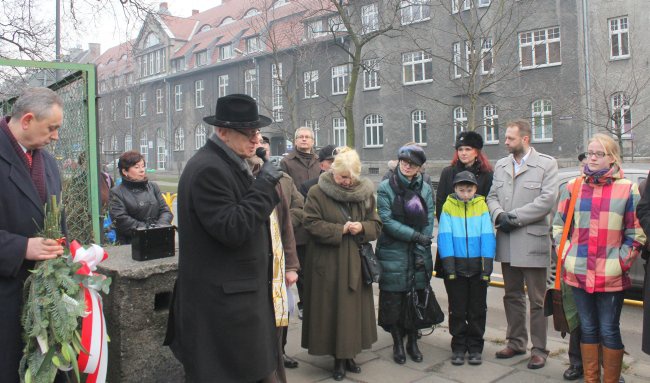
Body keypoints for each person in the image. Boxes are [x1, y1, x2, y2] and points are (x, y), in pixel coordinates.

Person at [164, 94, 284, 382]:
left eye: (258, 132)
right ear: (222, 132)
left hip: (236, 306)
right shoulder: (209, 169)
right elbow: (233, 228)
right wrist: (265, 184)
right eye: (249, 133)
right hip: (223, 311)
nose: (257, 140)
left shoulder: (229, 163)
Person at [554, 134, 644, 383]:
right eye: (590, 152)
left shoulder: (627, 189)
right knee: (588, 328)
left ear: (612, 157)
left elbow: (635, 233)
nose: (592, 157)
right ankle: (592, 379)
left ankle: (612, 379)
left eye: (599, 153)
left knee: (608, 329)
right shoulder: (573, 187)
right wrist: (566, 254)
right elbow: (559, 227)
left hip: (611, 275)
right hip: (578, 271)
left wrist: (621, 261)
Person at [0, 88, 65, 383]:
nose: (55, 137)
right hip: (6, 296)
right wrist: (21, 247)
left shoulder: (48, 163)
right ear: (27, 119)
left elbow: (57, 220)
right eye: (51, 128)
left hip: (43, 301)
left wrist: (67, 249)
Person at [301, 147, 382, 381]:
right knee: (332, 311)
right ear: (333, 172)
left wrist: (363, 227)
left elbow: (376, 225)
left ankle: (349, 355)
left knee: (352, 313)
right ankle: (337, 358)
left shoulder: (365, 194)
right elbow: (311, 223)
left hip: (355, 263)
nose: (347, 182)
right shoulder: (317, 192)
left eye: (351, 177)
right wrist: (341, 229)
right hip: (328, 264)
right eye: (342, 177)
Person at [486, 119, 559, 369]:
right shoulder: (502, 165)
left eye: (510, 138)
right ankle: (516, 342)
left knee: (538, 300)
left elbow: (546, 201)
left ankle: (539, 349)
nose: (505, 142)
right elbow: (492, 196)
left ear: (525, 139)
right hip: (507, 241)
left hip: (533, 242)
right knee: (512, 296)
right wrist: (498, 215)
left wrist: (513, 218)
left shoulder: (546, 165)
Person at [247, 133, 300, 382]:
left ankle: (277, 363)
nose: (257, 145)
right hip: (255, 270)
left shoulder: (273, 178)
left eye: (261, 142)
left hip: (277, 265)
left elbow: (286, 223)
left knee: (279, 322)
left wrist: (291, 265)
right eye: (253, 140)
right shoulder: (239, 178)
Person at [375, 144, 434, 365]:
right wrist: (415, 237)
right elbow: (387, 222)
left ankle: (413, 342)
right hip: (393, 250)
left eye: (413, 164)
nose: (407, 166)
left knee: (416, 297)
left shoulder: (425, 188)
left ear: (419, 167)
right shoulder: (385, 187)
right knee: (394, 300)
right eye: (404, 162)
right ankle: (398, 342)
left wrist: (422, 243)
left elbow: (429, 219)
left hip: (417, 251)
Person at [438, 170, 495, 366]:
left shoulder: (481, 206)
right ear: (455, 189)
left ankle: (476, 347)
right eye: (461, 190)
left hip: (477, 268)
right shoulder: (448, 206)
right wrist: (449, 267)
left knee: (477, 309)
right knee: (458, 309)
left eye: (469, 190)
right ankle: (459, 346)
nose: (465, 194)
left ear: (475, 189)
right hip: (458, 267)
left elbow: (488, 237)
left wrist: (486, 267)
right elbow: (445, 237)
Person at [434, 131, 493, 279]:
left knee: (477, 296)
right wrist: (448, 230)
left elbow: (488, 203)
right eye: (460, 149)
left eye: (468, 149)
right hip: (452, 238)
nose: (463, 153)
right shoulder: (448, 173)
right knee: (455, 294)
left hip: (477, 240)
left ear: (476, 152)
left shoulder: (487, 175)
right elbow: (440, 204)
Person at [280, 127, 321, 319]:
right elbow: (285, 190)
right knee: (302, 268)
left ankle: (316, 301)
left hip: (317, 219)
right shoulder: (287, 162)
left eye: (307, 137)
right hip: (298, 224)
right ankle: (304, 303)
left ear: (313, 141)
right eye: (301, 137)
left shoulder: (319, 161)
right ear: (295, 141)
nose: (304, 140)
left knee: (316, 267)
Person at [108, 150, 172, 244]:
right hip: (132, 243)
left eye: (143, 166)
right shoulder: (116, 192)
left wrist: (159, 227)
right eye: (136, 167)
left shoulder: (153, 187)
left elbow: (165, 211)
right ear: (125, 171)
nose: (142, 170)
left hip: (159, 239)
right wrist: (147, 230)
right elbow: (121, 219)